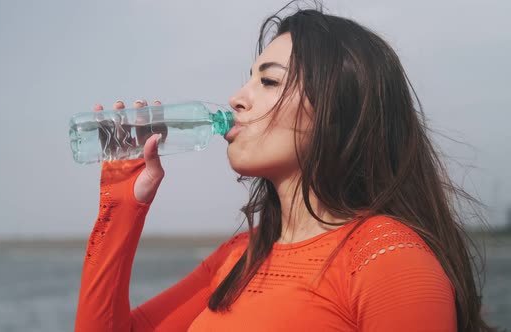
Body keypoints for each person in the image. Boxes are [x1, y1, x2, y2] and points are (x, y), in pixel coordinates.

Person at [74, 3, 497, 332]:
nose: (237, 97)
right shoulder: (239, 256)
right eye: (249, 79)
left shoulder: (388, 258)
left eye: (269, 81)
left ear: (336, 111)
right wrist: (121, 206)